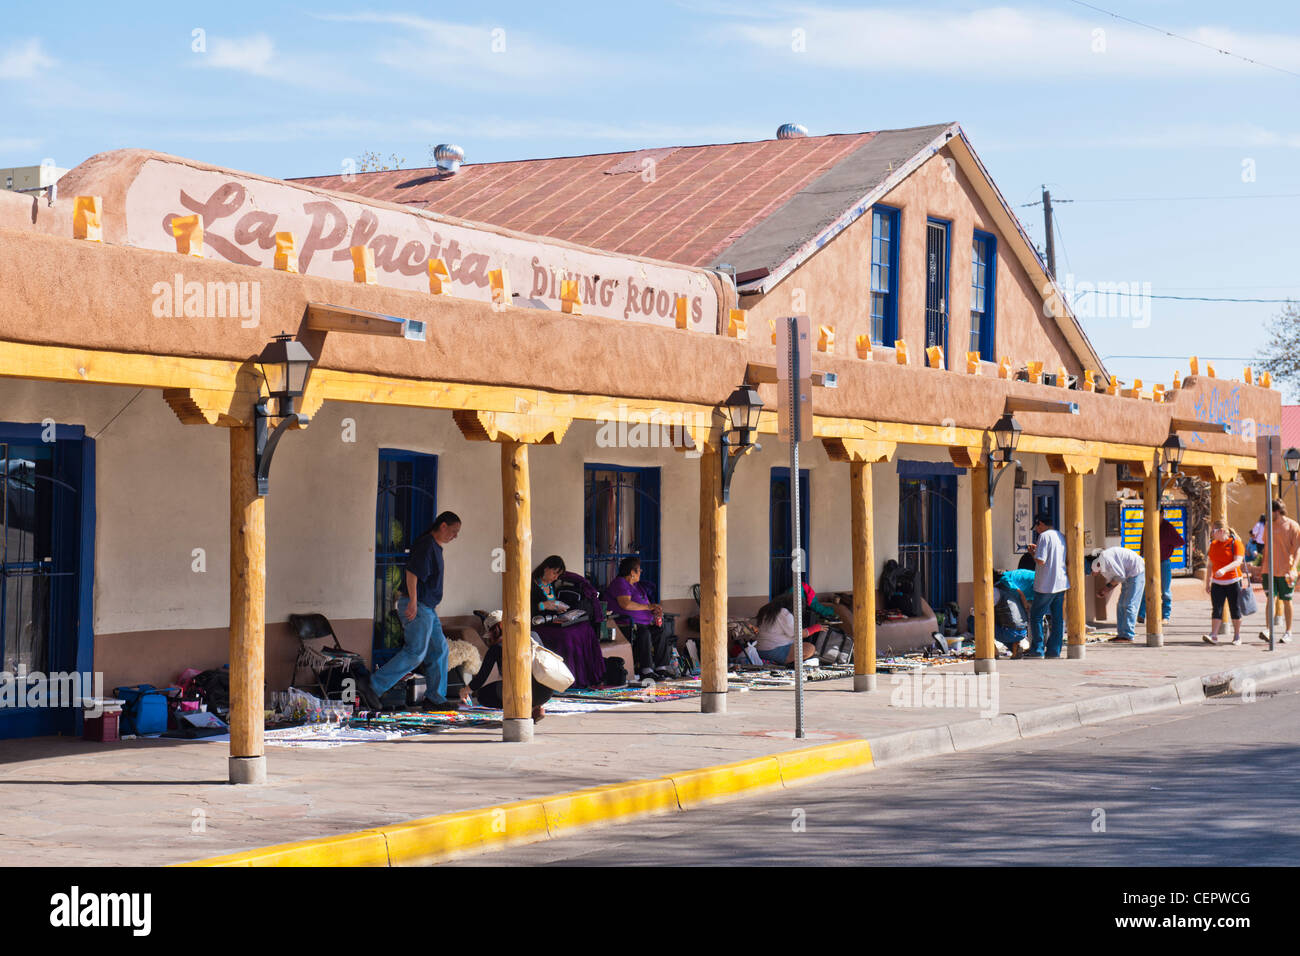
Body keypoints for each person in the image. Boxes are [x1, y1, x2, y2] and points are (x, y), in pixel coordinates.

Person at [369, 511, 461, 710]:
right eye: (453, 531)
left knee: (440, 649)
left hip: (428, 607)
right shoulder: (427, 544)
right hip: (418, 605)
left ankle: (435, 698)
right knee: (415, 652)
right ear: (443, 526)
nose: (455, 536)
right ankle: (373, 687)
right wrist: (412, 601)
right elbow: (412, 573)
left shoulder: (435, 547)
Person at [530, 555, 607, 687]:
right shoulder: (532, 584)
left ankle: (589, 675)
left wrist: (558, 609)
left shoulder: (553, 584)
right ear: (546, 568)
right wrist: (544, 605)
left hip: (554, 620)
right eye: (554, 573)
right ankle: (569, 678)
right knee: (568, 636)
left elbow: (574, 579)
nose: (555, 577)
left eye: (558, 575)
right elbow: (527, 607)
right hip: (539, 624)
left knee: (584, 628)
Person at [459, 610, 550, 721]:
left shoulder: (497, 647)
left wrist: (465, 690)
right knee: (530, 677)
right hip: (545, 692)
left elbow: (481, 678)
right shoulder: (533, 635)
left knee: (483, 694)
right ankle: (537, 706)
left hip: (520, 694)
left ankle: (517, 710)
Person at [606, 556, 674, 680]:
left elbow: (644, 605)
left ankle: (661, 668)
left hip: (644, 622)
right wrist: (648, 607)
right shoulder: (620, 583)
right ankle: (646, 669)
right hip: (625, 623)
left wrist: (654, 611)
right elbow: (625, 604)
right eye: (639, 570)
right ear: (632, 572)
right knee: (644, 633)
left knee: (660, 631)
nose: (641, 572)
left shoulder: (637, 586)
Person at [1027, 512, 1069, 658]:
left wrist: (1033, 552)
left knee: (1036, 616)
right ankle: (1054, 650)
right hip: (1061, 582)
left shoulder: (1044, 536)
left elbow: (1041, 560)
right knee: (1057, 619)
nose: (1036, 530)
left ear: (1040, 523)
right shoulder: (1060, 535)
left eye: (1036, 527)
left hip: (1046, 584)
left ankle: (1037, 649)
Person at [1258, 498, 1300, 644]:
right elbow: (1266, 547)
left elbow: (1297, 550)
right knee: (1270, 599)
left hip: (1286, 571)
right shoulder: (1268, 525)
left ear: (1276, 511)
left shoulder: (1293, 526)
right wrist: (1261, 566)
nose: (1267, 514)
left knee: (1287, 601)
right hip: (1268, 570)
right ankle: (1269, 630)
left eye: (1269, 511)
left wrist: (1293, 568)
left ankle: (1288, 632)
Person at [1202, 520, 1245, 645]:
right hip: (1217, 582)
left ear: (1221, 531)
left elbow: (1238, 562)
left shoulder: (1235, 543)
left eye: (1213, 531)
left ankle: (1237, 636)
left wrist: (1224, 569)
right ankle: (1214, 635)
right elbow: (1210, 565)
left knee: (1235, 609)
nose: (1212, 534)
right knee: (1217, 609)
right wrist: (1208, 581)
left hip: (1233, 581)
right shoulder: (1213, 544)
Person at [1092, 544, 1145, 642]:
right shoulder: (1103, 562)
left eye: (1092, 571)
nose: (1093, 574)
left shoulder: (1106, 560)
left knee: (1129, 605)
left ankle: (1128, 635)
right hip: (1128, 574)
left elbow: (1120, 577)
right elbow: (1118, 578)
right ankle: (1121, 634)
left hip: (1136, 572)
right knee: (1121, 605)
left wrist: (1105, 589)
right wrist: (1106, 590)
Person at [1137, 518, 1185, 624]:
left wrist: (1168, 548)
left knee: (1165, 591)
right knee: (1145, 588)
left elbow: (1180, 542)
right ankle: (1141, 614)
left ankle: (1165, 616)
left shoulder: (1168, 528)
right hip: (1149, 561)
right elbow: (1143, 543)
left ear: (1162, 514)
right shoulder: (1147, 526)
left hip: (1164, 562)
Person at [753, 591, 819, 666]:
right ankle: (787, 663)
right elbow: (798, 634)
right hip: (773, 651)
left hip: (760, 650)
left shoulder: (768, 610)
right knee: (810, 648)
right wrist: (816, 628)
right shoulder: (783, 612)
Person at [994, 569, 1034, 658]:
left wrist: (1025, 604)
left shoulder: (1003, 581)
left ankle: (991, 652)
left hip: (1010, 631)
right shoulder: (1011, 589)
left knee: (973, 620)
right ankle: (1015, 647)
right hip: (1022, 631)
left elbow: (1020, 593)